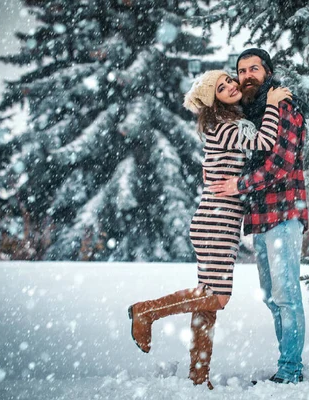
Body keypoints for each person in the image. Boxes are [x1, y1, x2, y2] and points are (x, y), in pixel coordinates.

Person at [127, 69, 292, 389]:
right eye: (222, 86)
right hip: (215, 222)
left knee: (208, 302)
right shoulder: (223, 125)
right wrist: (271, 104)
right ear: (212, 98)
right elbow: (263, 141)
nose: (231, 85)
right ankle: (145, 312)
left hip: (220, 222)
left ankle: (198, 375)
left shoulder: (228, 123)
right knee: (216, 298)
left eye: (229, 80)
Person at [209, 48, 309, 384]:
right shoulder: (253, 113)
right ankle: (289, 365)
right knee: (272, 297)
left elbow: (280, 164)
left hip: (283, 212)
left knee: (286, 295)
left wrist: (237, 184)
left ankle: (290, 371)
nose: (247, 75)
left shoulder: (283, 104)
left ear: (267, 72)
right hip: (261, 219)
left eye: (254, 68)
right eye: (242, 70)